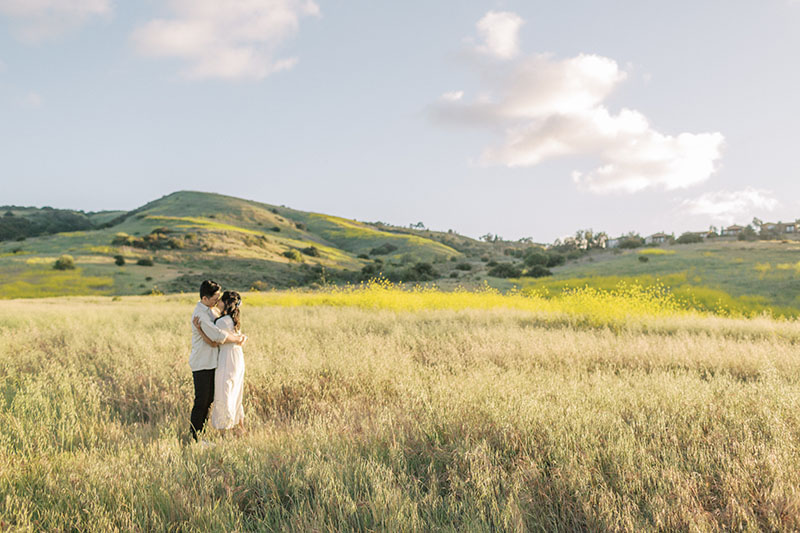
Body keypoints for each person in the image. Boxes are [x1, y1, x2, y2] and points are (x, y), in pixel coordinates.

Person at [189, 280, 245, 443]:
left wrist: (237, 337)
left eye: (219, 298)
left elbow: (221, 331)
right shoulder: (200, 314)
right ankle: (195, 438)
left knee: (208, 400)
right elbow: (217, 336)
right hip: (202, 362)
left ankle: (201, 436)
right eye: (215, 298)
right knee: (201, 401)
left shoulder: (210, 311)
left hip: (213, 362)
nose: (217, 301)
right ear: (205, 298)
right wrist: (237, 338)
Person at [201, 291, 247, 433]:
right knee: (236, 392)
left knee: (224, 391)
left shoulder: (221, 322)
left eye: (221, 300)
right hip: (237, 358)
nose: (218, 302)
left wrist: (200, 330)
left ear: (226, 303)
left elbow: (214, 342)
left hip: (227, 358)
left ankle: (224, 430)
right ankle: (240, 428)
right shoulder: (233, 320)